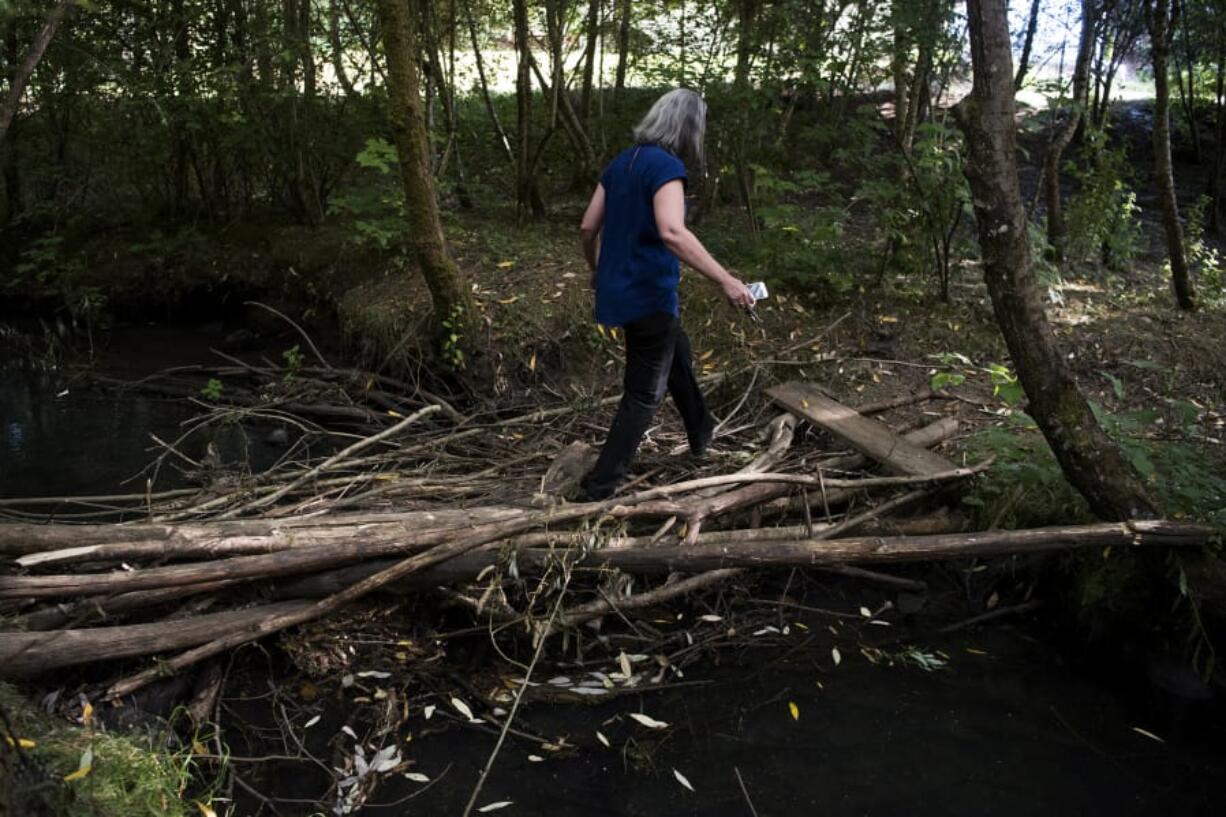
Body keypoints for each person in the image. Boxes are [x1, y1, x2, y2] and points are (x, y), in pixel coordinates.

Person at [578, 88, 755, 501]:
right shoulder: (667, 168)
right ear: (690, 128)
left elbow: (588, 227)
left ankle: (701, 428)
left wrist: (596, 268)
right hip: (648, 294)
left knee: (676, 356)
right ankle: (600, 487)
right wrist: (726, 280)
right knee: (643, 392)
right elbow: (672, 231)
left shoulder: (622, 162)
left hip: (620, 290)